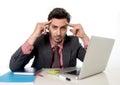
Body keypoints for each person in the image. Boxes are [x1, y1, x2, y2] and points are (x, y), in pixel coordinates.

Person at [9, 8, 89, 72]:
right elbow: (14, 67)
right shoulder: (38, 41)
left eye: (63, 28)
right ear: (48, 27)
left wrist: (84, 37)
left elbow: (94, 64)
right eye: (54, 27)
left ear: (67, 28)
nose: (58, 33)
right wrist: (34, 35)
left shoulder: (73, 42)